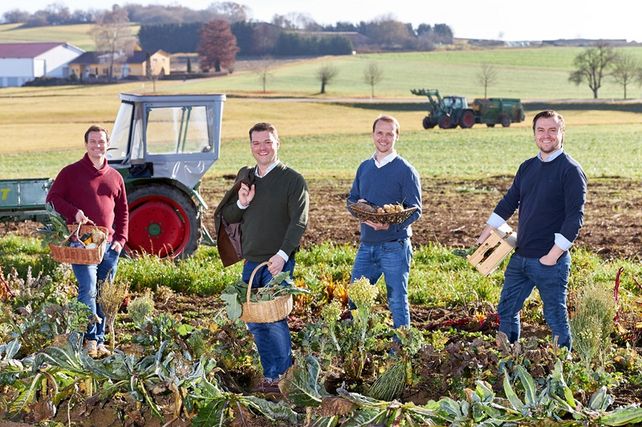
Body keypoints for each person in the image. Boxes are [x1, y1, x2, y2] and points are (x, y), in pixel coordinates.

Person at [476, 110, 587, 350]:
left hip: (550, 261)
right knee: (506, 309)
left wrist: (553, 255)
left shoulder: (570, 170)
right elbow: (509, 201)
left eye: (552, 130)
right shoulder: (527, 167)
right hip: (521, 257)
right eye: (541, 130)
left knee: (555, 317)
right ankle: (509, 356)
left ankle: (563, 365)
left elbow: (574, 217)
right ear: (534, 133)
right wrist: (488, 229)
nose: (546, 135)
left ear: (561, 133)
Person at [216, 122, 309, 391]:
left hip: (277, 261)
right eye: (256, 143)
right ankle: (269, 375)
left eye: (267, 142)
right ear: (251, 147)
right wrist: (242, 201)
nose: (262, 148)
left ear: (277, 143)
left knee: (275, 319)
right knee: (255, 322)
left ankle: (283, 375)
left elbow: (299, 222)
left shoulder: (292, 180)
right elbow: (230, 217)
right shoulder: (247, 178)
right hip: (252, 262)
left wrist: (282, 255)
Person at [46, 125, 129, 358]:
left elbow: (123, 211)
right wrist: (75, 213)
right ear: (86, 145)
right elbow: (52, 199)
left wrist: (121, 239)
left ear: (107, 144)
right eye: (93, 142)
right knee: (89, 289)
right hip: (83, 244)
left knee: (104, 293)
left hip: (109, 244)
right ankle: (89, 339)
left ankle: (100, 340)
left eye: (101, 142)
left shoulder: (115, 177)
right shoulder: (71, 173)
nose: (97, 146)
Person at [347, 115, 422, 328]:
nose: (384, 138)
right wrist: (360, 210)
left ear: (396, 137)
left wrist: (389, 225)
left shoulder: (406, 170)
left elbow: (415, 211)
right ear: (373, 135)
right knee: (355, 299)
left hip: (394, 246)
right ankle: (361, 343)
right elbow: (352, 199)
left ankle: (401, 349)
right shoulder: (364, 168)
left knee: (397, 301)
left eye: (390, 134)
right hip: (367, 245)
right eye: (380, 133)